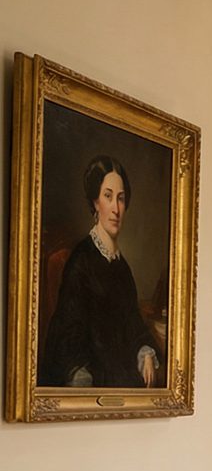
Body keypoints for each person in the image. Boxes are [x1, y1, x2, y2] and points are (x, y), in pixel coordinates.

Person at [38, 155, 160, 388]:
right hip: (93, 377)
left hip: (120, 374)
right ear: (95, 202)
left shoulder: (122, 267)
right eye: (108, 196)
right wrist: (79, 373)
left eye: (121, 199)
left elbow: (133, 323)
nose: (116, 208)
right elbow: (67, 332)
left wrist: (145, 351)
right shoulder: (81, 260)